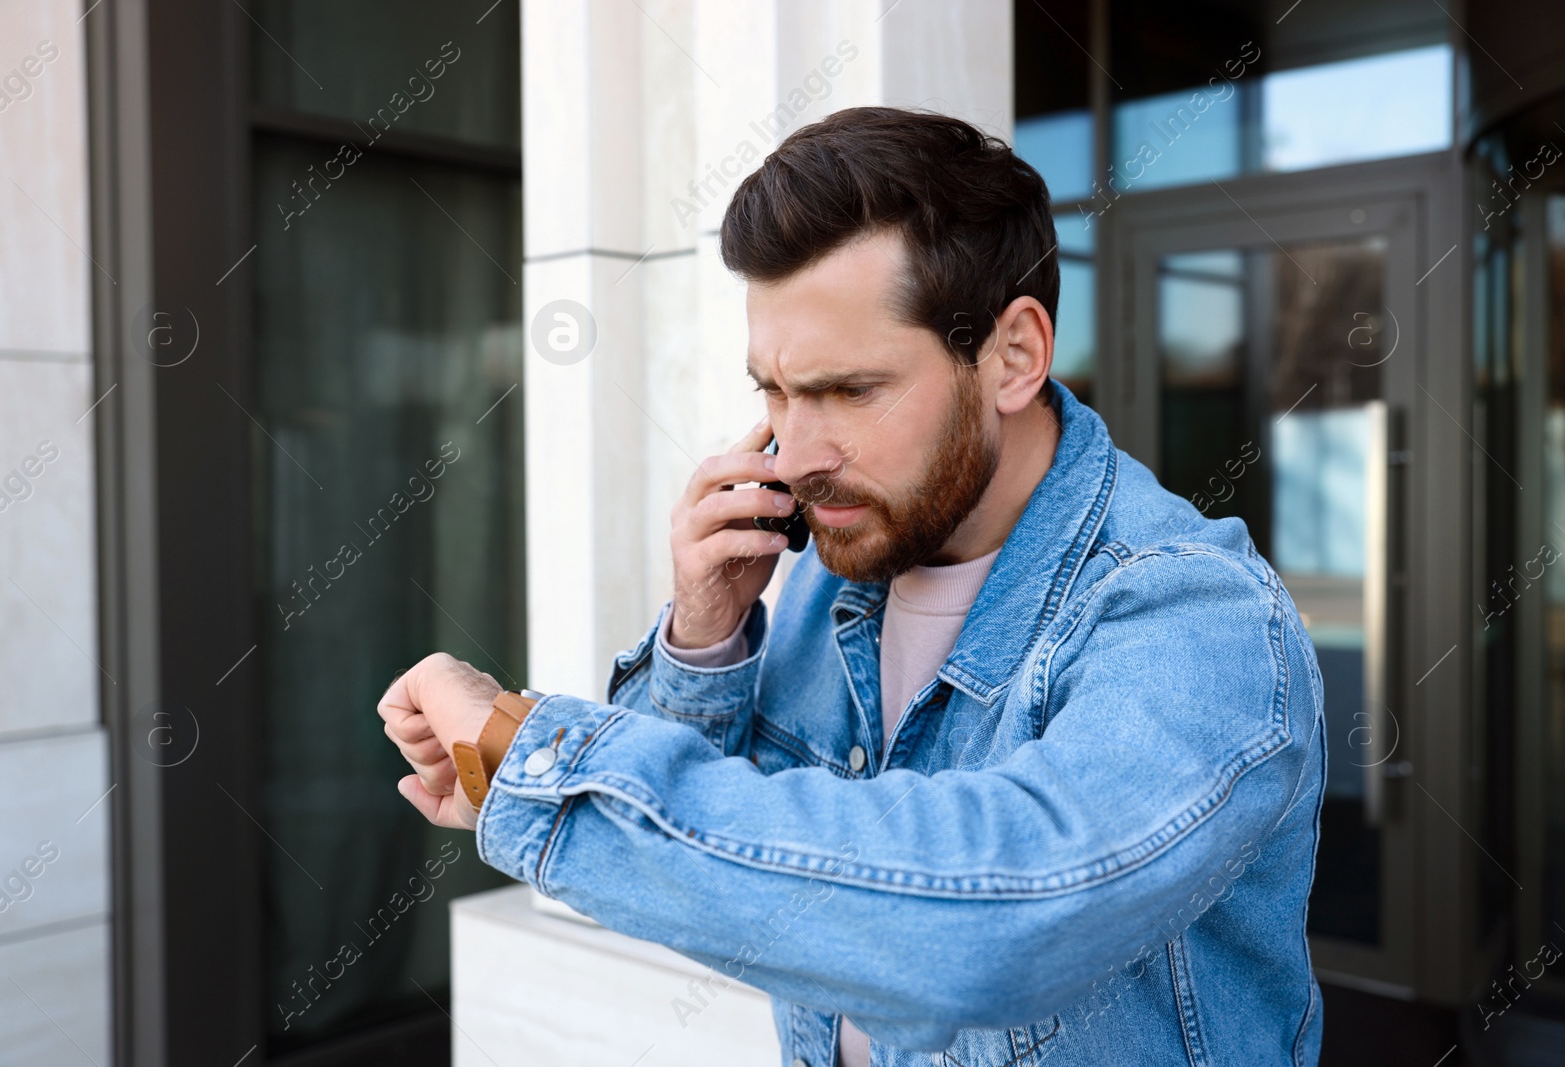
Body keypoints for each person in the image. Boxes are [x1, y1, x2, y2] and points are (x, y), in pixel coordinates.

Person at [378, 106, 1326, 1066]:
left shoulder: (1197, 615)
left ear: (1015, 357)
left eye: (849, 390)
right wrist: (706, 638)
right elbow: (729, 876)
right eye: (776, 393)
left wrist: (524, 762)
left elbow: (989, 931)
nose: (796, 452)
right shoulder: (825, 576)